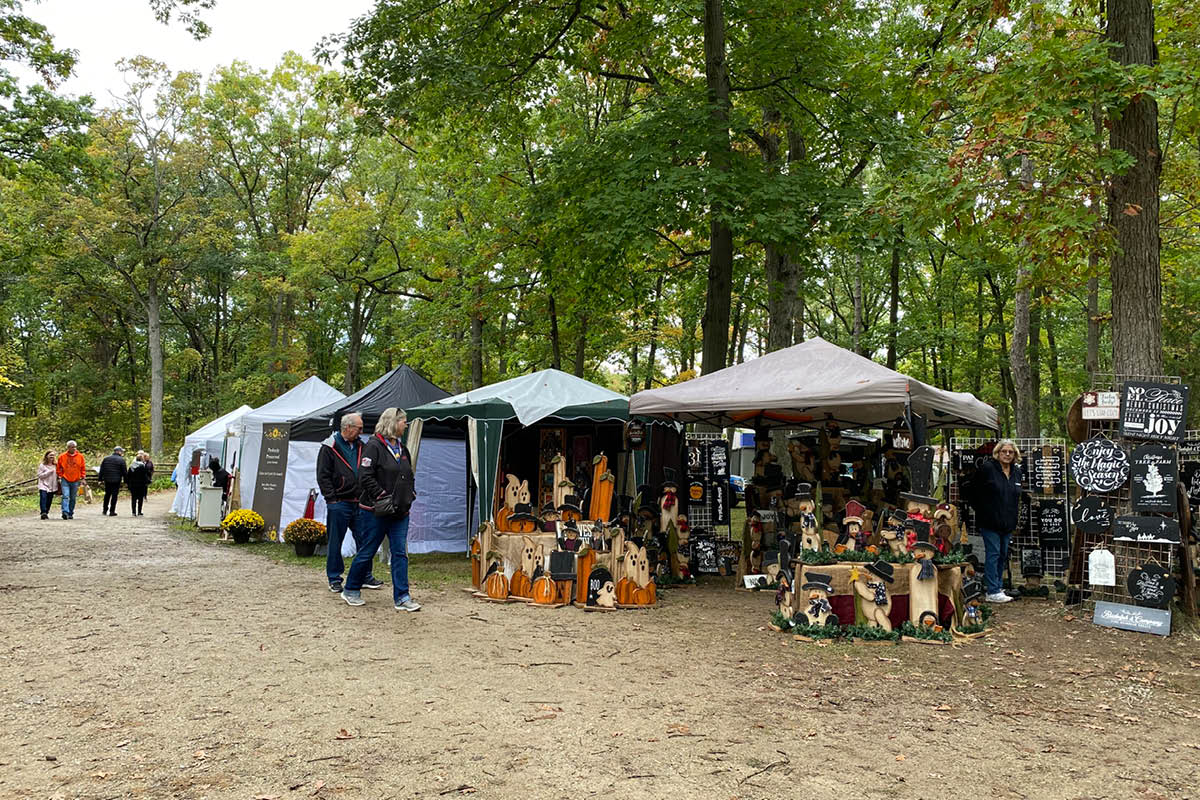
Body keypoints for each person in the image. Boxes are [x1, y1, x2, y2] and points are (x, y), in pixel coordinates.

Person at [342, 407, 420, 611]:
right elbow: (364, 476)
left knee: (400, 553)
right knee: (367, 551)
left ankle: (402, 597)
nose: (406, 425)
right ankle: (350, 589)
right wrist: (381, 496)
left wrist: (410, 494)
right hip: (375, 511)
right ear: (393, 422)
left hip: (400, 512)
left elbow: (408, 474)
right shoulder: (373, 446)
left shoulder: (402, 448)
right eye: (404, 421)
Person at [317, 411, 382, 593]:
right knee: (335, 542)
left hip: (359, 502)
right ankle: (334, 578)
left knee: (365, 540)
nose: (361, 431)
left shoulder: (362, 446)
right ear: (348, 427)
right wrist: (332, 499)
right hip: (340, 503)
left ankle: (365, 576)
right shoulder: (329, 446)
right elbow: (323, 475)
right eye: (359, 428)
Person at [966, 439, 1024, 604]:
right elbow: (972, 491)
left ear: (1015, 455)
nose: (1007, 454)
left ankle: (997, 587)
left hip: (1008, 522)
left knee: (1003, 555)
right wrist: (983, 510)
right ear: (997, 453)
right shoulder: (987, 469)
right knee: (993, 554)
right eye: (1004, 451)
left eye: (1010, 452)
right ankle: (992, 591)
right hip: (989, 521)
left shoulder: (1017, 472)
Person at [56, 441, 87, 520]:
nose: (74, 448)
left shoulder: (80, 456)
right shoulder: (62, 456)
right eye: (72, 447)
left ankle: (70, 512)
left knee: (73, 497)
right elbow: (58, 467)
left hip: (76, 479)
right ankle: (65, 512)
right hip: (65, 479)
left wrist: (83, 478)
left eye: (75, 447)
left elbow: (83, 468)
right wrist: (60, 476)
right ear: (68, 447)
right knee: (65, 495)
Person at [99, 446, 128, 516]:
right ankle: (112, 511)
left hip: (107, 480)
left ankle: (104, 510)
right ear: (118, 452)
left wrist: (100, 479)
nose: (122, 453)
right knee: (114, 495)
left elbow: (101, 470)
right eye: (121, 451)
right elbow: (124, 471)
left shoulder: (106, 459)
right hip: (116, 480)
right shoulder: (121, 460)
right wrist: (126, 481)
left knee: (107, 494)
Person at [126, 450, 154, 516]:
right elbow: (146, 475)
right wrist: (148, 481)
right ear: (141, 460)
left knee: (133, 498)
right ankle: (139, 511)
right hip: (141, 485)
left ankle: (133, 512)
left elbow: (128, 476)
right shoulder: (143, 467)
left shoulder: (131, 467)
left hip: (133, 485)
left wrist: (128, 483)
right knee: (140, 499)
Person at [37, 450, 58, 520]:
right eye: (50, 455)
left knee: (49, 500)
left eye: (53, 455)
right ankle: (43, 512)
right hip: (43, 485)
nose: (52, 456)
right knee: (43, 498)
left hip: (52, 485)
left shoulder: (56, 465)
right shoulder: (42, 465)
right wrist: (48, 472)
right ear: (46, 456)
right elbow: (39, 475)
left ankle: (46, 512)